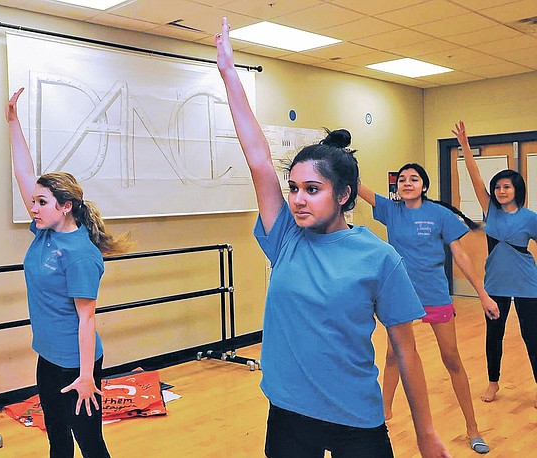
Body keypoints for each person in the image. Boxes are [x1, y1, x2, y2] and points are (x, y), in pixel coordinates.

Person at [215, 17, 449, 458]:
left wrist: (426, 433)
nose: (299, 200)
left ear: (344, 195)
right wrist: (229, 72)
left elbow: (405, 353)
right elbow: (259, 160)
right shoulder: (285, 236)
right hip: (287, 415)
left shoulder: (379, 258)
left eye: (313, 190)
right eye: (295, 188)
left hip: (356, 421)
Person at [5, 87, 129, 458]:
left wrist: (87, 377)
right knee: (57, 439)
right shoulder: (45, 232)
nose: (35, 208)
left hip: (76, 363)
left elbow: (87, 319)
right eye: (35, 202)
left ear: (65, 206)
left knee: (89, 443)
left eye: (42, 203)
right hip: (49, 356)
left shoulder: (81, 255)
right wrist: (13, 123)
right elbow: (24, 173)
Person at [358, 163, 497, 454]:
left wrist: (482, 294)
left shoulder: (440, 214)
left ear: (424, 185)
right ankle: (383, 415)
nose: (407, 183)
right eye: (402, 180)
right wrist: (339, 155)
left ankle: (473, 428)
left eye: (414, 179)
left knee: (452, 359)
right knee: (394, 357)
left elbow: (460, 256)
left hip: (434, 295)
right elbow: (358, 187)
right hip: (399, 296)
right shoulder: (390, 210)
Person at [453, 120, 537, 410]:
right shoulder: (491, 210)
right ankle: (493, 380)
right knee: (494, 335)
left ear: (517, 189)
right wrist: (464, 146)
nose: (501, 191)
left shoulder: (530, 217)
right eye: (498, 187)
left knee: (532, 337)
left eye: (507, 187)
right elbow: (476, 177)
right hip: (495, 285)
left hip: (527, 284)